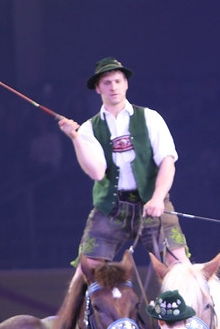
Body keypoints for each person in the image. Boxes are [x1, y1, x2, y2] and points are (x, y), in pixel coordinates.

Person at [57, 57, 189, 269]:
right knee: (87, 269)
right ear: (98, 88)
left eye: (118, 81)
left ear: (126, 83)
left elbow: (167, 161)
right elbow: (98, 173)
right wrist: (76, 138)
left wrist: (157, 198)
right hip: (112, 208)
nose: (113, 87)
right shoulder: (90, 128)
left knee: (179, 265)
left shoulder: (150, 118)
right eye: (107, 83)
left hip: (152, 204)